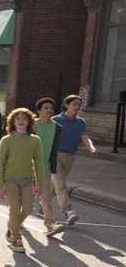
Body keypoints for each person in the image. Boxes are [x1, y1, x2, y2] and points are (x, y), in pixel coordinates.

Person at [0, 108, 44, 253]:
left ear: (29, 122)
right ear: (13, 122)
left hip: (28, 179)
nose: (21, 121)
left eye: (24, 118)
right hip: (10, 179)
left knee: (29, 208)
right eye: (18, 118)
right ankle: (15, 238)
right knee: (15, 208)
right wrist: (0, 186)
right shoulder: (7, 140)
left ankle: (13, 224)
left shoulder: (35, 140)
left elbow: (39, 163)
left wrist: (39, 184)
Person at [52, 94, 97, 226]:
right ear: (66, 105)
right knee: (61, 184)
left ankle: (43, 206)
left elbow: (85, 138)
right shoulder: (55, 120)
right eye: (74, 104)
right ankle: (68, 211)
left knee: (55, 184)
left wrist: (91, 148)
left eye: (79, 105)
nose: (77, 107)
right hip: (55, 156)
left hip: (70, 157)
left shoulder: (80, 122)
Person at [33, 97, 67, 237]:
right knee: (25, 195)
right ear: (39, 111)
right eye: (46, 108)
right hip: (27, 166)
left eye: (51, 108)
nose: (49, 110)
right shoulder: (31, 125)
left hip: (45, 166)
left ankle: (50, 224)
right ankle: (18, 218)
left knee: (46, 195)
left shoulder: (57, 127)